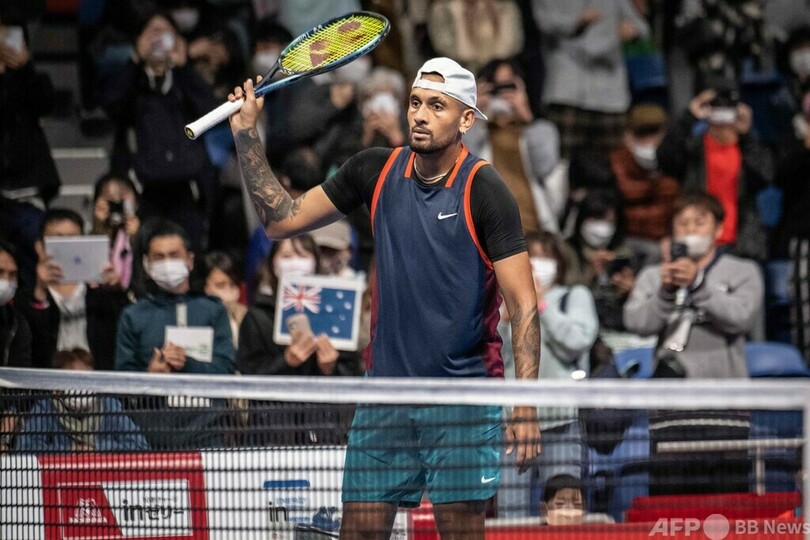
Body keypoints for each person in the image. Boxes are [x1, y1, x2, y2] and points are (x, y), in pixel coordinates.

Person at [229, 56, 541, 539]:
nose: (420, 115)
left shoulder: (485, 189)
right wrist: (247, 134)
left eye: (436, 105)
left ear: (465, 120)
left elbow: (523, 306)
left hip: (463, 400)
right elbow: (281, 220)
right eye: (415, 102)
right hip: (384, 399)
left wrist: (526, 405)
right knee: (359, 533)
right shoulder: (374, 168)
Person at [623, 190, 764, 494]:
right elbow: (636, 322)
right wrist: (665, 293)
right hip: (670, 411)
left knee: (726, 511)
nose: (690, 229)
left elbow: (741, 318)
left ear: (718, 229)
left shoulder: (743, 271)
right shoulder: (654, 276)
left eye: (699, 222)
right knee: (672, 511)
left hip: (727, 411)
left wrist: (698, 285)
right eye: (682, 223)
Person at [99, 9, 219, 254]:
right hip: (143, 189)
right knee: (144, 252)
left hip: (187, 188)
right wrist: (135, 61)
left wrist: (184, 67)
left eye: (164, 34)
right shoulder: (132, 81)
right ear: (138, 41)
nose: (157, 41)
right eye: (150, 34)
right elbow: (109, 103)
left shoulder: (184, 82)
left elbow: (211, 112)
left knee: (189, 252)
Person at [498, 232, 598, 518]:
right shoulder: (504, 301)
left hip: (561, 420)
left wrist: (540, 304)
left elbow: (577, 341)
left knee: (564, 507)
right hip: (513, 423)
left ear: (559, 262)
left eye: (546, 257)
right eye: (532, 257)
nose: (538, 264)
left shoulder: (573, 296)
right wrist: (505, 321)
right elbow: (498, 360)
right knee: (511, 511)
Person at [114, 220, 235, 449]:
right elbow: (121, 382)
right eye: (159, 257)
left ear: (190, 260)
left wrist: (187, 364)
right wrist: (149, 376)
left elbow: (226, 371)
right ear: (146, 264)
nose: (167, 263)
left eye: (174, 255)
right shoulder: (133, 315)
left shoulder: (213, 310)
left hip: (208, 435)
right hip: (151, 437)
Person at [238, 234, 361, 446]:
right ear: (272, 264)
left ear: (315, 262)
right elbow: (247, 377)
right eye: (286, 256)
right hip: (269, 435)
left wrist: (330, 368)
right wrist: (286, 362)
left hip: (322, 434)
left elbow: (353, 378)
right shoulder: (257, 317)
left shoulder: (336, 317)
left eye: (302, 255)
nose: (295, 262)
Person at [657, 82, 773, 261]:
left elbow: (765, 176)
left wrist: (746, 134)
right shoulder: (693, 147)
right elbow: (665, 159)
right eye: (717, 105)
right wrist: (689, 116)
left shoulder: (747, 148)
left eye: (728, 106)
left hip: (740, 243)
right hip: (696, 242)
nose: (722, 112)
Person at [531, 0, 650, 160]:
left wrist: (631, 30)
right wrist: (578, 23)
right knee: (561, 163)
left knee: (613, 165)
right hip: (567, 92)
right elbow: (543, 22)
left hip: (610, 96)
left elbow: (642, 28)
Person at [14, 209, 130, 371]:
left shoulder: (100, 296)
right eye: (57, 239)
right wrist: (41, 292)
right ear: (40, 247)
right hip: (46, 382)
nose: (66, 246)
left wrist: (117, 291)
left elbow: (125, 332)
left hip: (96, 381)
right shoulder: (26, 297)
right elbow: (30, 345)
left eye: (72, 239)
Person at [466, 58, 567, 237]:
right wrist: (477, 114)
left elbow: (545, 168)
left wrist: (525, 115)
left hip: (535, 231)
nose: (504, 95)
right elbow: (461, 166)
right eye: (496, 88)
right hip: (488, 233)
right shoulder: (474, 132)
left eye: (509, 87)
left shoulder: (542, 130)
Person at [0, 12, 61, 291]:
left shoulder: (32, 78)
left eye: (9, 35)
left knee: (36, 267)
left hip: (28, 194)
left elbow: (44, 103)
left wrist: (25, 68)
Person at [15, 348, 148, 453]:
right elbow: (24, 449)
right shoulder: (45, 407)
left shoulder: (109, 405)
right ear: (56, 388)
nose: (83, 387)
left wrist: (97, 449)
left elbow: (139, 445)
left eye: (87, 379)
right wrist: (70, 450)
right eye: (75, 380)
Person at [611, 104, 680, 264]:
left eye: (653, 133)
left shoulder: (673, 159)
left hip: (664, 238)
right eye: (641, 134)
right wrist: (655, 184)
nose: (648, 141)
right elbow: (627, 190)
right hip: (628, 237)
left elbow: (674, 200)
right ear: (628, 134)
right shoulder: (619, 158)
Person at [0, 240, 32, 454]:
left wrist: (4, 435)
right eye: (0, 272)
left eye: (12, 275)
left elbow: (21, 386)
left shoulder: (17, 324)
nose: (6, 281)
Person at [202, 251, 246, 347]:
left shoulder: (246, 316)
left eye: (232, 284)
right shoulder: (197, 318)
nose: (228, 290)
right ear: (205, 287)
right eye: (220, 285)